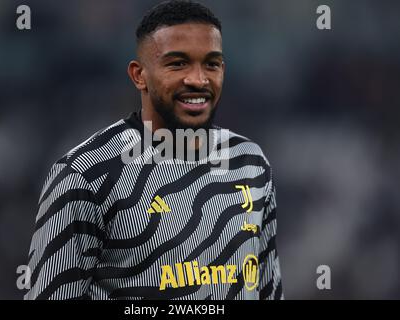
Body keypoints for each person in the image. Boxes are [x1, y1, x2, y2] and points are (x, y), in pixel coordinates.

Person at [25, 0, 283, 300]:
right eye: (177, 64)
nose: (198, 79)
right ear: (139, 75)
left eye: (211, 64)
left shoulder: (251, 163)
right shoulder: (84, 175)